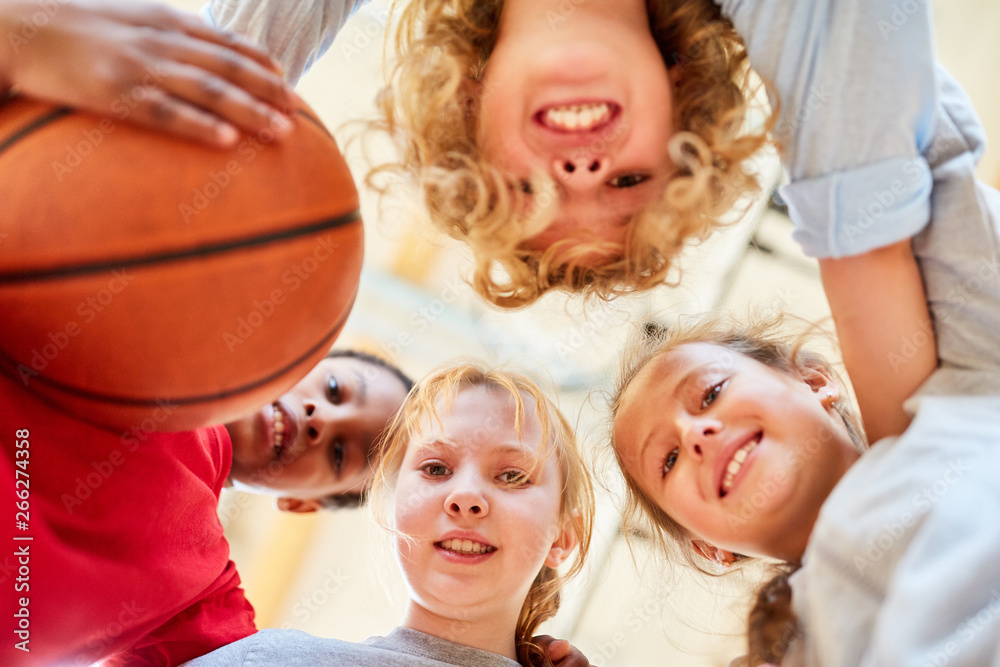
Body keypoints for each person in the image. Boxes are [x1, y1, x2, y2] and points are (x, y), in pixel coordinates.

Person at [607, 0, 1000, 661]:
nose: (697, 433)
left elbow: (869, 78)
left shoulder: (970, 390)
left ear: (814, 379)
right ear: (712, 547)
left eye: (709, 394)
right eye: (668, 459)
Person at [0, 349, 413, 666]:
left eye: (340, 454)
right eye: (335, 389)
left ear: (302, 504)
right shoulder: (145, 344)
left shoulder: (201, 597)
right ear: (300, 351)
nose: (319, 418)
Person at [186, 363, 596, 666]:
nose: (467, 496)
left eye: (512, 475)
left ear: (562, 537)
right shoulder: (266, 660)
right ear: (395, 506)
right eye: (436, 468)